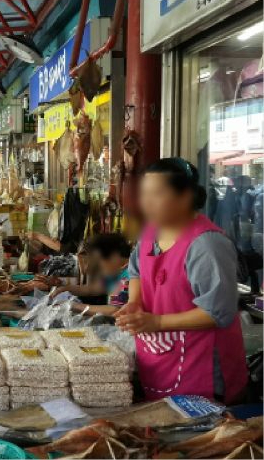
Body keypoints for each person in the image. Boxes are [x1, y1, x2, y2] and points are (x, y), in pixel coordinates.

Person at [115, 158, 248, 404]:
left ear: (185, 197)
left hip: (203, 370)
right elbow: (136, 272)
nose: (146, 202)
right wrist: (135, 302)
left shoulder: (206, 245)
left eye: (157, 194)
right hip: (159, 357)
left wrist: (157, 321)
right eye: (144, 194)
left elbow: (218, 312)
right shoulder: (151, 233)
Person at [49, 233, 132, 317]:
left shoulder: (128, 276)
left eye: (99, 264)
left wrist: (75, 306)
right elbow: (92, 288)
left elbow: (114, 310)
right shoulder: (114, 272)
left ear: (114, 256)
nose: (99, 269)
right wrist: (64, 289)